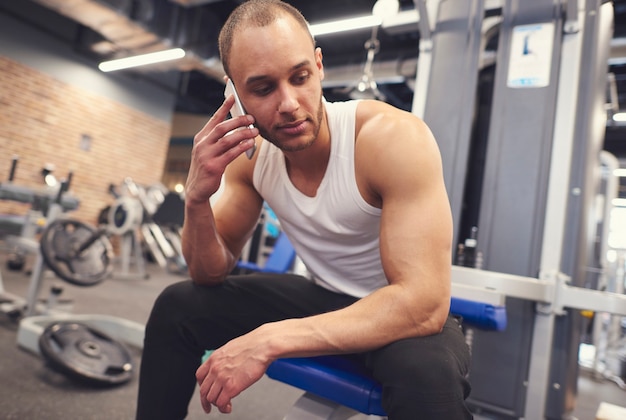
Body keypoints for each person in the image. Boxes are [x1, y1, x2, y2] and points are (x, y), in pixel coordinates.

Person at [136, 1, 472, 419]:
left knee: (428, 377)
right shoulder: (251, 157)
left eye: (300, 78)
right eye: (262, 89)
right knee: (178, 306)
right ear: (234, 95)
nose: (290, 103)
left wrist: (268, 340)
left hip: (400, 314)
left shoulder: (391, 139)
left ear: (318, 65)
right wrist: (197, 198)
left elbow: (422, 303)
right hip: (324, 298)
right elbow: (208, 273)